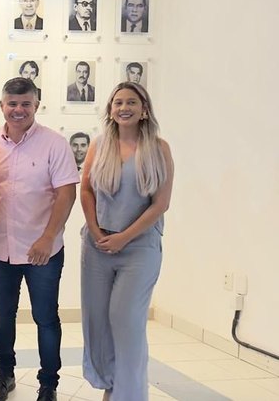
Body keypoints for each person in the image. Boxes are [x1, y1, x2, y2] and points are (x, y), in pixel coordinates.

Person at [0, 77, 79, 401]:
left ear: (36, 105)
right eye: (12, 103)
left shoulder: (55, 144)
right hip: (0, 248)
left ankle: (48, 383)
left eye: (25, 104)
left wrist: (48, 237)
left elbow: (66, 194)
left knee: (45, 318)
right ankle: (4, 374)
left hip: (43, 252)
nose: (18, 110)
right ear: (2, 105)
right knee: (2, 314)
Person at [80, 82, 174, 400]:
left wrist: (124, 237)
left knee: (126, 321)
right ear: (110, 109)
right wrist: (96, 231)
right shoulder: (99, 145)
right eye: (118, 102)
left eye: (131, 102)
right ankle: (112, 385)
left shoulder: (159, 149)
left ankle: (129, 393)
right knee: (97, 322)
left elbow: (160, 204)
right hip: (97, 247)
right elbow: (86, 190)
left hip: (139, 248)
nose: (124, 107)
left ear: (144, 110)